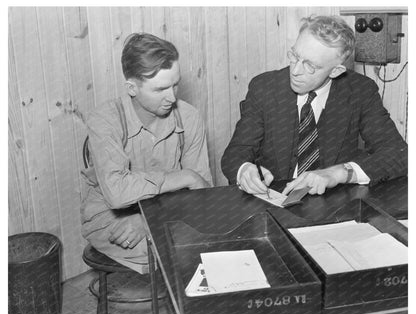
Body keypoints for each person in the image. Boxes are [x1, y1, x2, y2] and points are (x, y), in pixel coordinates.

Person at [221, 15, 407, 197]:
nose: (295, 71)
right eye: (295, 56)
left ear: (335, 71)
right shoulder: (264, 88)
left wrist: (338, 173)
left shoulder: (360, 91)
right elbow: (235, 153)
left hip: (334, 205)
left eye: (310, 66)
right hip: (272, 201)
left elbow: (399, 154)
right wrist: (243, 170)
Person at [81, 33, 212, 274]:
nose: (172, 97)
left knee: (206, 239)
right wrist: (185, 177)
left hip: (170, 211)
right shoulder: (104, 120)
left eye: (175, 84)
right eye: (160, 89)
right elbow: (117, 194)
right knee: (172, 250)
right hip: (112, 217)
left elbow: (201, 193)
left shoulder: (189, 117)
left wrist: (149, 220)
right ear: (132, 88)